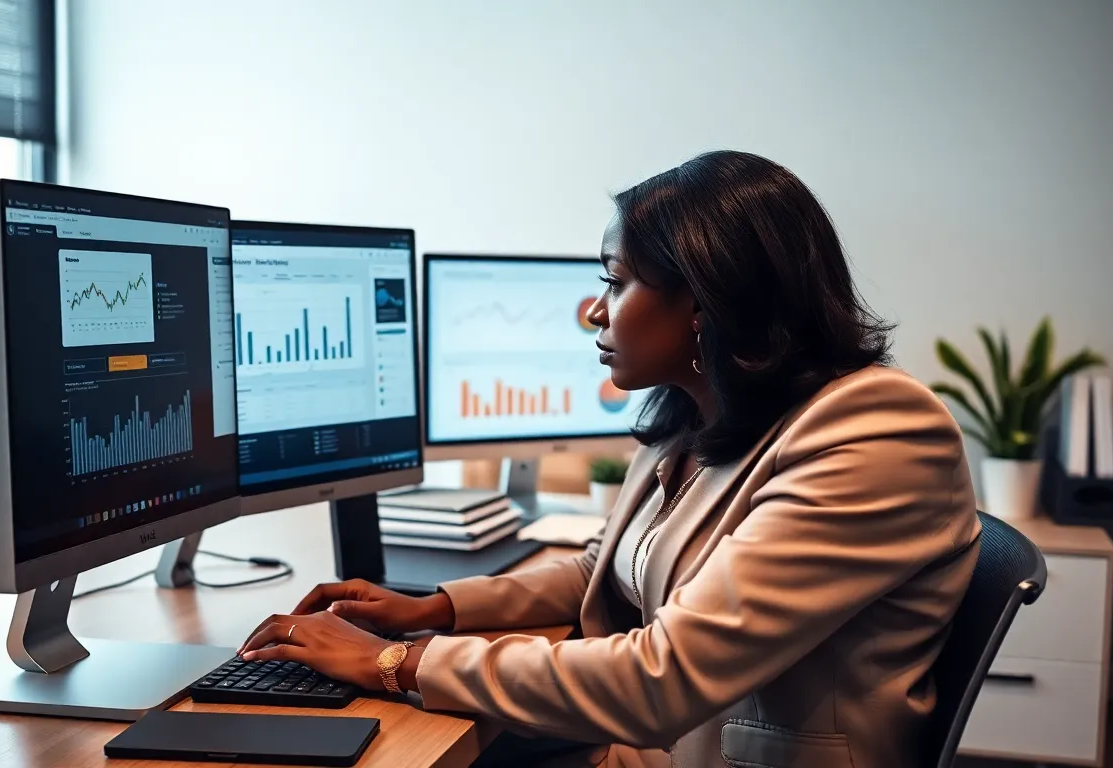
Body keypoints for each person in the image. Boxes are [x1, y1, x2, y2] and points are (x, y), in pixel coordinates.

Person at [241, 150, 981, 768]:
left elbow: (662, 678)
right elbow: (606, 566)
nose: (595, 311)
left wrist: (395, 661)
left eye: (616, 282)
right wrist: (437, 608)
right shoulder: (699, 413)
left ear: (703, 302)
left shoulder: (876, 432)